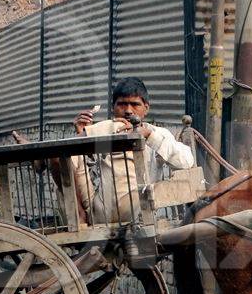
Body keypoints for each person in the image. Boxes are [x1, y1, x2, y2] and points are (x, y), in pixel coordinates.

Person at [71, 77, 195, 223]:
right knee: (64, 157)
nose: (128, 111)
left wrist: (149, 136)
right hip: (101, 212)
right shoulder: (106, 129)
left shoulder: (156, 133)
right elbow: (84, 165)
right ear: (113, 108)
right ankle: (78, 217)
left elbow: (187, 161)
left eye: (135, 104)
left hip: (140, 213)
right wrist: (81, 137)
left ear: (146, 108)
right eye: (122, 104)